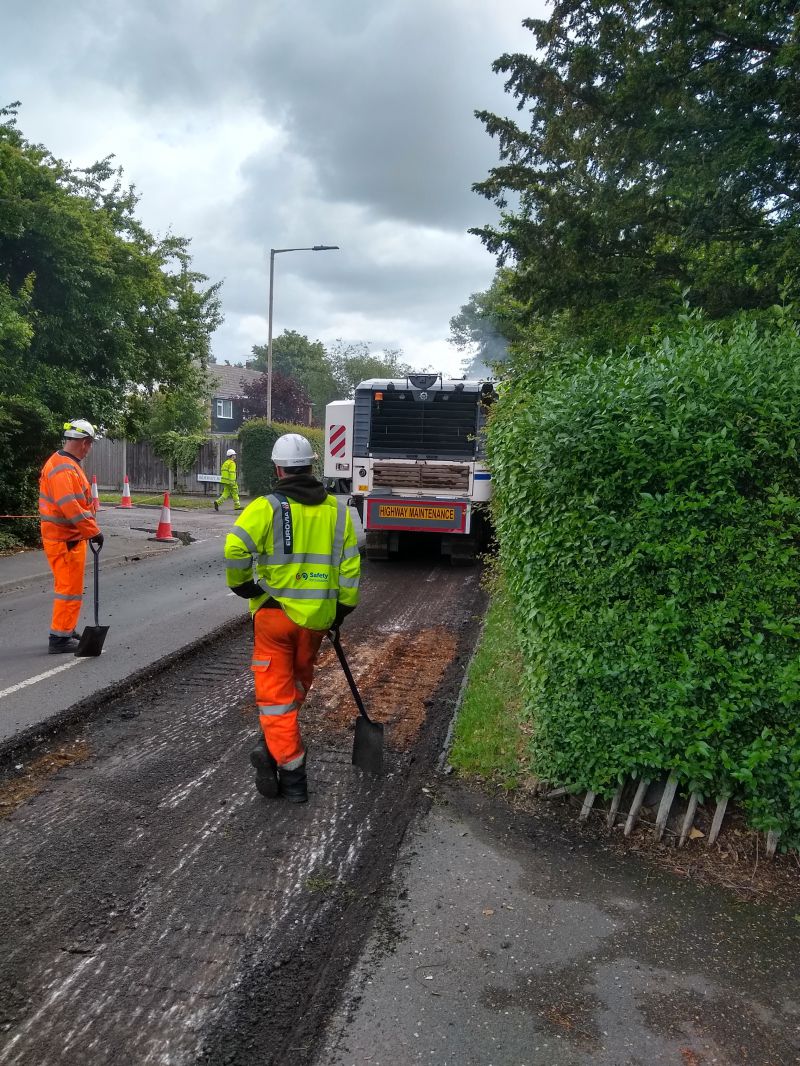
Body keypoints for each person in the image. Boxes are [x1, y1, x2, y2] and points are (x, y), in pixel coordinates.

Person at [224, 433, 361, 803]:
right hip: (315, 621)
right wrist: (341, 611)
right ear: (311, 466)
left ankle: (293, 775)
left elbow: (236, 547)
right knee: (297, 686)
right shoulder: (336, 510)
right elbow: (349, 567)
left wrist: (244, 587)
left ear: (277, 468)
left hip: (273, 618)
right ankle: (272, 740)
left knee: (275, 700)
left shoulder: (267, 506)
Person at [39, 419, 104, 654]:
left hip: (71, 538)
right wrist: (93, 531)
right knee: (68, 589)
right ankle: (59, 639)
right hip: (64, 539)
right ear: (85, 443)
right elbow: (71, 507)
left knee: (72, 588)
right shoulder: (63, 467)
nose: (90, 449)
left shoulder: (67, 464)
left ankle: (66, 630)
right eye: (90, 444)